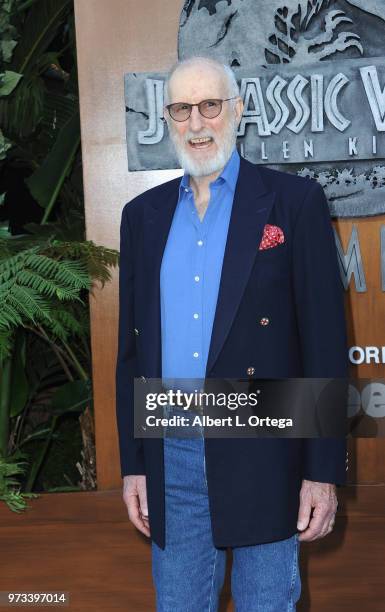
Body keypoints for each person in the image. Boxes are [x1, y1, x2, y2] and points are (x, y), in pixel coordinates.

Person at [115, 56, 348, 611]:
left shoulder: (295, 203)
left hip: (266, 442)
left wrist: (321, 473)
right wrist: (133, 464)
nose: (196, 123)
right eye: (181, 109)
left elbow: (324, 343)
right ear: (168, 119)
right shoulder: (141, 216)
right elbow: (131, 349)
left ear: (237, 112)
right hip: (170, 449)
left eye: (210, 106)